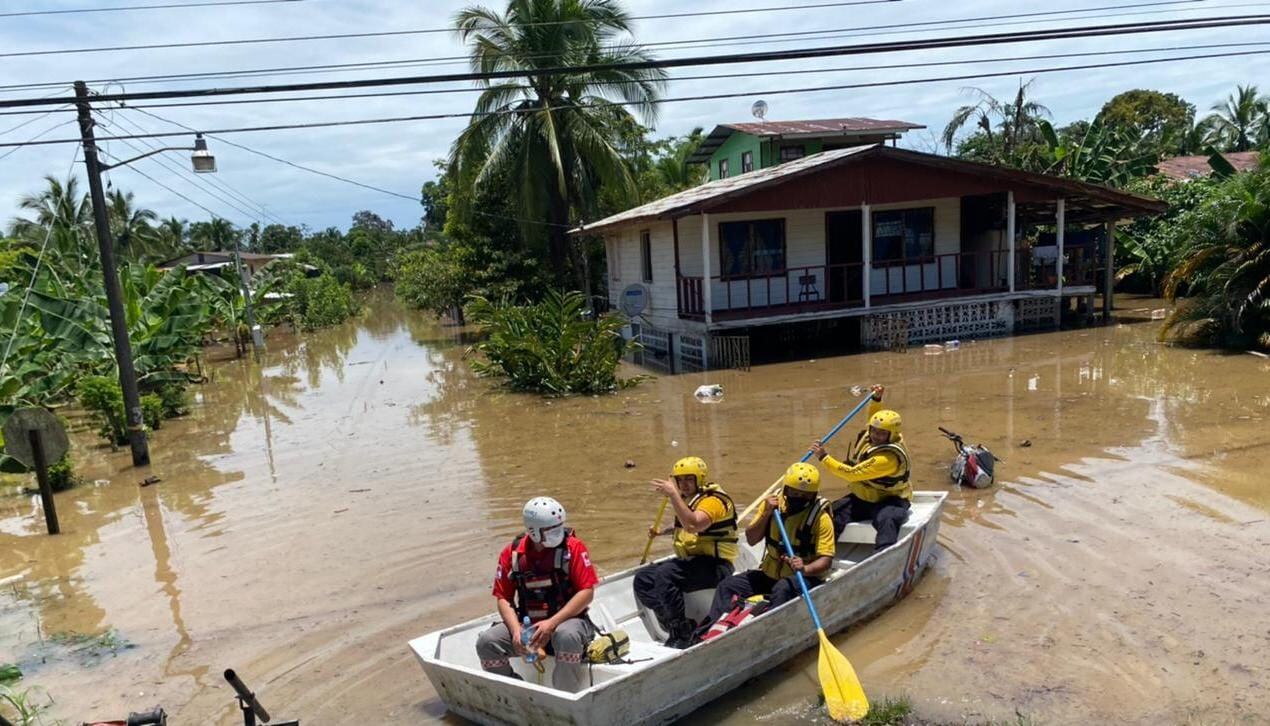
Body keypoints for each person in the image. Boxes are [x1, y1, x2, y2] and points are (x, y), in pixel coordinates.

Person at [695, 462, 835, 640]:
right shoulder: (772, 504)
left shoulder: (821, 518)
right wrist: (766, 513)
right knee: (728, 585)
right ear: (786, 490)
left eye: (805, 495)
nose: (799, 498)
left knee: (782, 589)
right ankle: (715, 629)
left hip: (803, 577)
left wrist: (805, 568)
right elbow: (752, 539)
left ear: (813, 495)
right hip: (769, 573)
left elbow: (826, 560)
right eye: (795, 493)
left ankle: (770, 635)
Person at [475, 496, 599, 692]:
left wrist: (552, 623)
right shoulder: (512, 554)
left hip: (568, 624)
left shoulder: (573, 548)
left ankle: (565, 699)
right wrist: (516, 632)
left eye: (560, 526)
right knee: (487, 642)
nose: (558, 533)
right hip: (528, 626)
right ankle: (516, 694)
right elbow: (503, 598)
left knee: (566, 636)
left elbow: (586, 592)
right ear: (533, 531)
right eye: (551, 530)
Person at [633, 456, 737, 648]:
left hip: (717, 566)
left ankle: (681, 632)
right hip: (693, 562)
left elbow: (693, 524)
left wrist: (673, 495)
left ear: (700, 479)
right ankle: (676, 622)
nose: (684, 484)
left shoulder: (714, 501)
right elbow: (683, 526)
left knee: (666, 574)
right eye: (680, 480)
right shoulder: (688, 500)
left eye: (689, 479)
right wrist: (662, 532)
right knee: (643, 579)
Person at [811, 384, 913, 551]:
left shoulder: (886, 458)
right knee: (830, 514)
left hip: (891, 500)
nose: (875, 435)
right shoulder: (870, 435)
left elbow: (851, 474)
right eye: (873, 431)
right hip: (864, 497)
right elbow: (873, 416)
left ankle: (884, 554)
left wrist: (824, 457)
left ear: (891, 434)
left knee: (886, 519)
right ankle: (822, 553)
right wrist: (876, 399)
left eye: (881, 433)